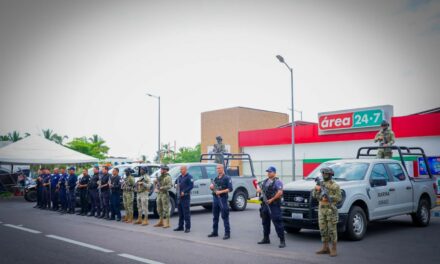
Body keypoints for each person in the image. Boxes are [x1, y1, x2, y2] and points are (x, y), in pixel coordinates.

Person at [312, 167, 342, 257]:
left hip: (330, 209)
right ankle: (325, 247)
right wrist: (317, 190)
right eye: (323, 173)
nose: (324, 175)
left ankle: (334, 249)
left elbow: (339, 198)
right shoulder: (320, 184)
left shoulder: (335, 185)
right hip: (321, 209)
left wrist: (329, 197)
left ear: (330, 175)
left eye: (326, 173)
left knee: (332, 230)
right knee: (323, 229)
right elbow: (314, 196)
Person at [256, 166, 286, 248]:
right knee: (265, 222)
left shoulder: (278, 182)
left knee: (277, 223)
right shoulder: (265, 181)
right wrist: (258, 188)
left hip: (274, 205)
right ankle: (266, 238)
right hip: (265, 205)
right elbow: (259, 187)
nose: (268, 173)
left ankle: (282, 240)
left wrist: (272, 199)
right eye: (268, 172)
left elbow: (280, 192)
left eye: (270, 172)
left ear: (274, 173)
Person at [208, 164, 233, 240]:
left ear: (222, 169)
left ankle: (227, 233)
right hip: (215, 199)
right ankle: (215, 232)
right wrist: (211, 187)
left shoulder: (227, 178)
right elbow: (214, 189)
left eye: (219, 168)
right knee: (215, 217)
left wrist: (221, 192)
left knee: (225, 216)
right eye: (217, 168)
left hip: (223, 199)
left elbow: (230, 189)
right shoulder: (216, 178)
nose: (218, 169)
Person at [174, 165, 194, 233]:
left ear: (185, 170)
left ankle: (187, 227)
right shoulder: (179, 177)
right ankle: (180, 226)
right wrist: (176, 185)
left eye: (182, 169)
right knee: (180, 213)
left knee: (186, 213)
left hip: (185, 197)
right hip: (179, 197)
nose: (180, 170)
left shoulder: (189, 177)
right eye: (180, 169)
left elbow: (191, 186)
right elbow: (175, 183)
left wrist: (184, 191)